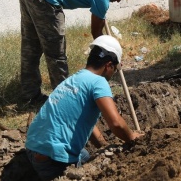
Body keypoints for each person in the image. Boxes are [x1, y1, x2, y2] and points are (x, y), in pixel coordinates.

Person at [18, 0, 138, 105]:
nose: (119, 1)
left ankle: (29, 96)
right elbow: (96, 33)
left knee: (31, 46)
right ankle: (63, 102)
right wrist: (113, 56)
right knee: (56, 53)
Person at [25, 35, 144, 181]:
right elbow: (116, 123)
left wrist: (103, 146)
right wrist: (131, 137)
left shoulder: (74, 79)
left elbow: (85, 120)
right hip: (53, 159)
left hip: (32, 147)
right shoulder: (99, 82)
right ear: (108, 65)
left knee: (85, 156)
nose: (113, 73)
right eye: (115, 68)